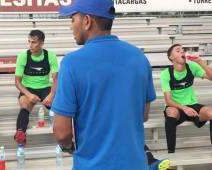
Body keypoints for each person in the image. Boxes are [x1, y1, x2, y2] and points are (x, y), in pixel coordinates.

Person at [52, 0, 157, 169]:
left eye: (73, 19)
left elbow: (62, 132)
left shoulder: (72, 63)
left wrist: (68, 147)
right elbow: (143, 115)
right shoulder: (139, 57)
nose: (71, 26)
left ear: (87, 21)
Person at [160, 44, 212, 153]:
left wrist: (200, 62)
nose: (182, 52)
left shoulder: (192, 66)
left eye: (183, 50)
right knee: (171, 112)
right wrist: (184, 108)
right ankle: (171, 152)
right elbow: (168, 101)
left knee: (211, 112)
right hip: (176, 107)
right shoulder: (165, 74)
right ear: (171, 57)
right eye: (178, 50)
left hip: (192, 105)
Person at [14, 29, 58, 145]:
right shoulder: (23, 56)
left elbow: (56, 80)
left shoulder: (50, 56)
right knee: (24, 106)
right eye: (29, 42)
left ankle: (69, 131)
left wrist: (51, 95)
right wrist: (28, 94)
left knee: (57, 105)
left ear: (42, 43)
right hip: (28, 89)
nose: (30, 45)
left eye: (33, 42)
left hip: (45, 88)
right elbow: (17, 82)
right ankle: (20, 133)